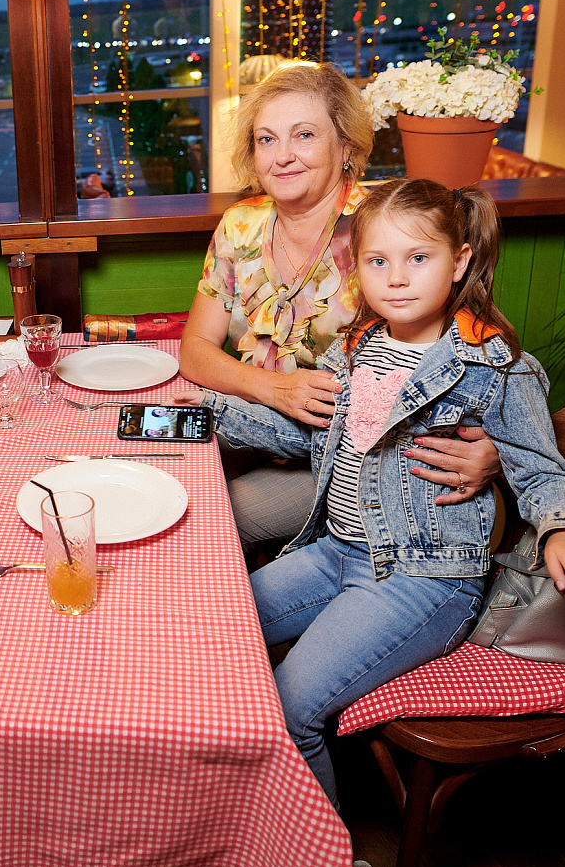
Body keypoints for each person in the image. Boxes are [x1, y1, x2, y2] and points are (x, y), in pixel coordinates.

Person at [185, 178, 565, 815]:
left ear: (460, 261)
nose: (396, 278)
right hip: (335, 552)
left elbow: (540, 468)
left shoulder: (492, 365)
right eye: (377, 260)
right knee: (208, 632)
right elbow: (309, 431)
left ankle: (324, 858)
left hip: (422, 580)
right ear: (355, 268)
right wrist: (201, 413)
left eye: (418, 258)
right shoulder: (359, 347)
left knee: (288, 707)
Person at [177, 62, 501, 547]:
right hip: (250, 418)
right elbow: (195, 349)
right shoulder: (240, 224)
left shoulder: (385, 227)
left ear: (347, 146)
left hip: (344, 457)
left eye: (304, 135)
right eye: (266, 139)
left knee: (206, 519)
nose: (282, 156)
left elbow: (471, 360)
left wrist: (495, 448)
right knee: (157, 468)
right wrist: (274, 389)